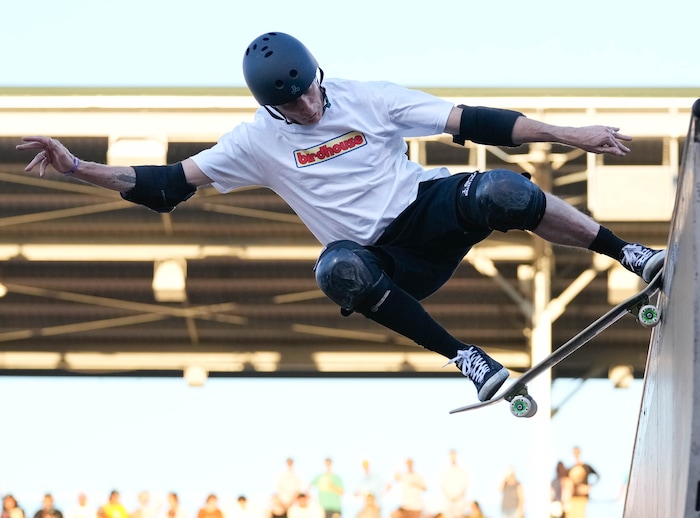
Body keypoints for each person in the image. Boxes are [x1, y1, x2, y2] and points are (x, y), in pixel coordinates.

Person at [17, 32, 666, 402]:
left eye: (309, 92)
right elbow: (164, 186)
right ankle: (468, 359)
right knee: (337, 269)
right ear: (269, 108)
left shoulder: (367, 98)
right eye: (291, 105)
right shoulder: (255, 141)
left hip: (428, 210)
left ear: (317, 75)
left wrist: (570, 135)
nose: (307, 107)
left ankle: (627, 253)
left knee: (503, 191)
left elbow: (469, 120)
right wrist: (78, 169)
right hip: (385, 262)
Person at [567, 447, 599, 518]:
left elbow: (598, 476)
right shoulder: (570, 469)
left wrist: (589, 487)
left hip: (582, 498)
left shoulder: (586, 467)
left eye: (577, 452)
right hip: (572, 497)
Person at [440, 450, 469, 518]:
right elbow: (443, 486)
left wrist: (458, 497)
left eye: (454, 456)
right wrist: (449, 497)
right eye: (451, 456)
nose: (453, 458)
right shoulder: (445, 471)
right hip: (449, 501)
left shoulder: (462, 471)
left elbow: (464, 487)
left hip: (459, 501)